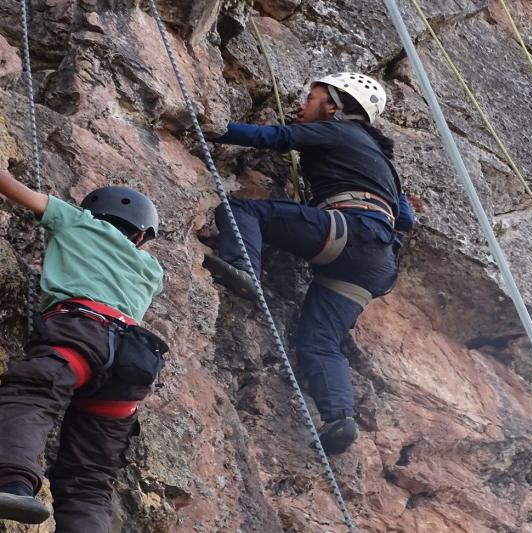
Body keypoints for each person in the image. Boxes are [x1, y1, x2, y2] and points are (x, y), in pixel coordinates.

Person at [203, 72, 414, 455]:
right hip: (376, 263)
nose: (302, 106)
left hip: (350, 233)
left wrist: (214, 127)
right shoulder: (385, 163)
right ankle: (339, 418)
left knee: (241, 209)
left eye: (311, 97)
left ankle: (243, 268)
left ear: (333, 106)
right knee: (319, 343)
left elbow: (278, 138)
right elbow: (407, 220)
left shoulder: (339, 131)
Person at [0, 171, 166, 531]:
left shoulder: (78, 221)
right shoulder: (152, 268)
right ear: (140, 235)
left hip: (82, 335)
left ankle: (14, 484)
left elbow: (15, 189)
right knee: (90, 476)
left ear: (92, 212)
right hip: (134, 359)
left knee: (33, 394)